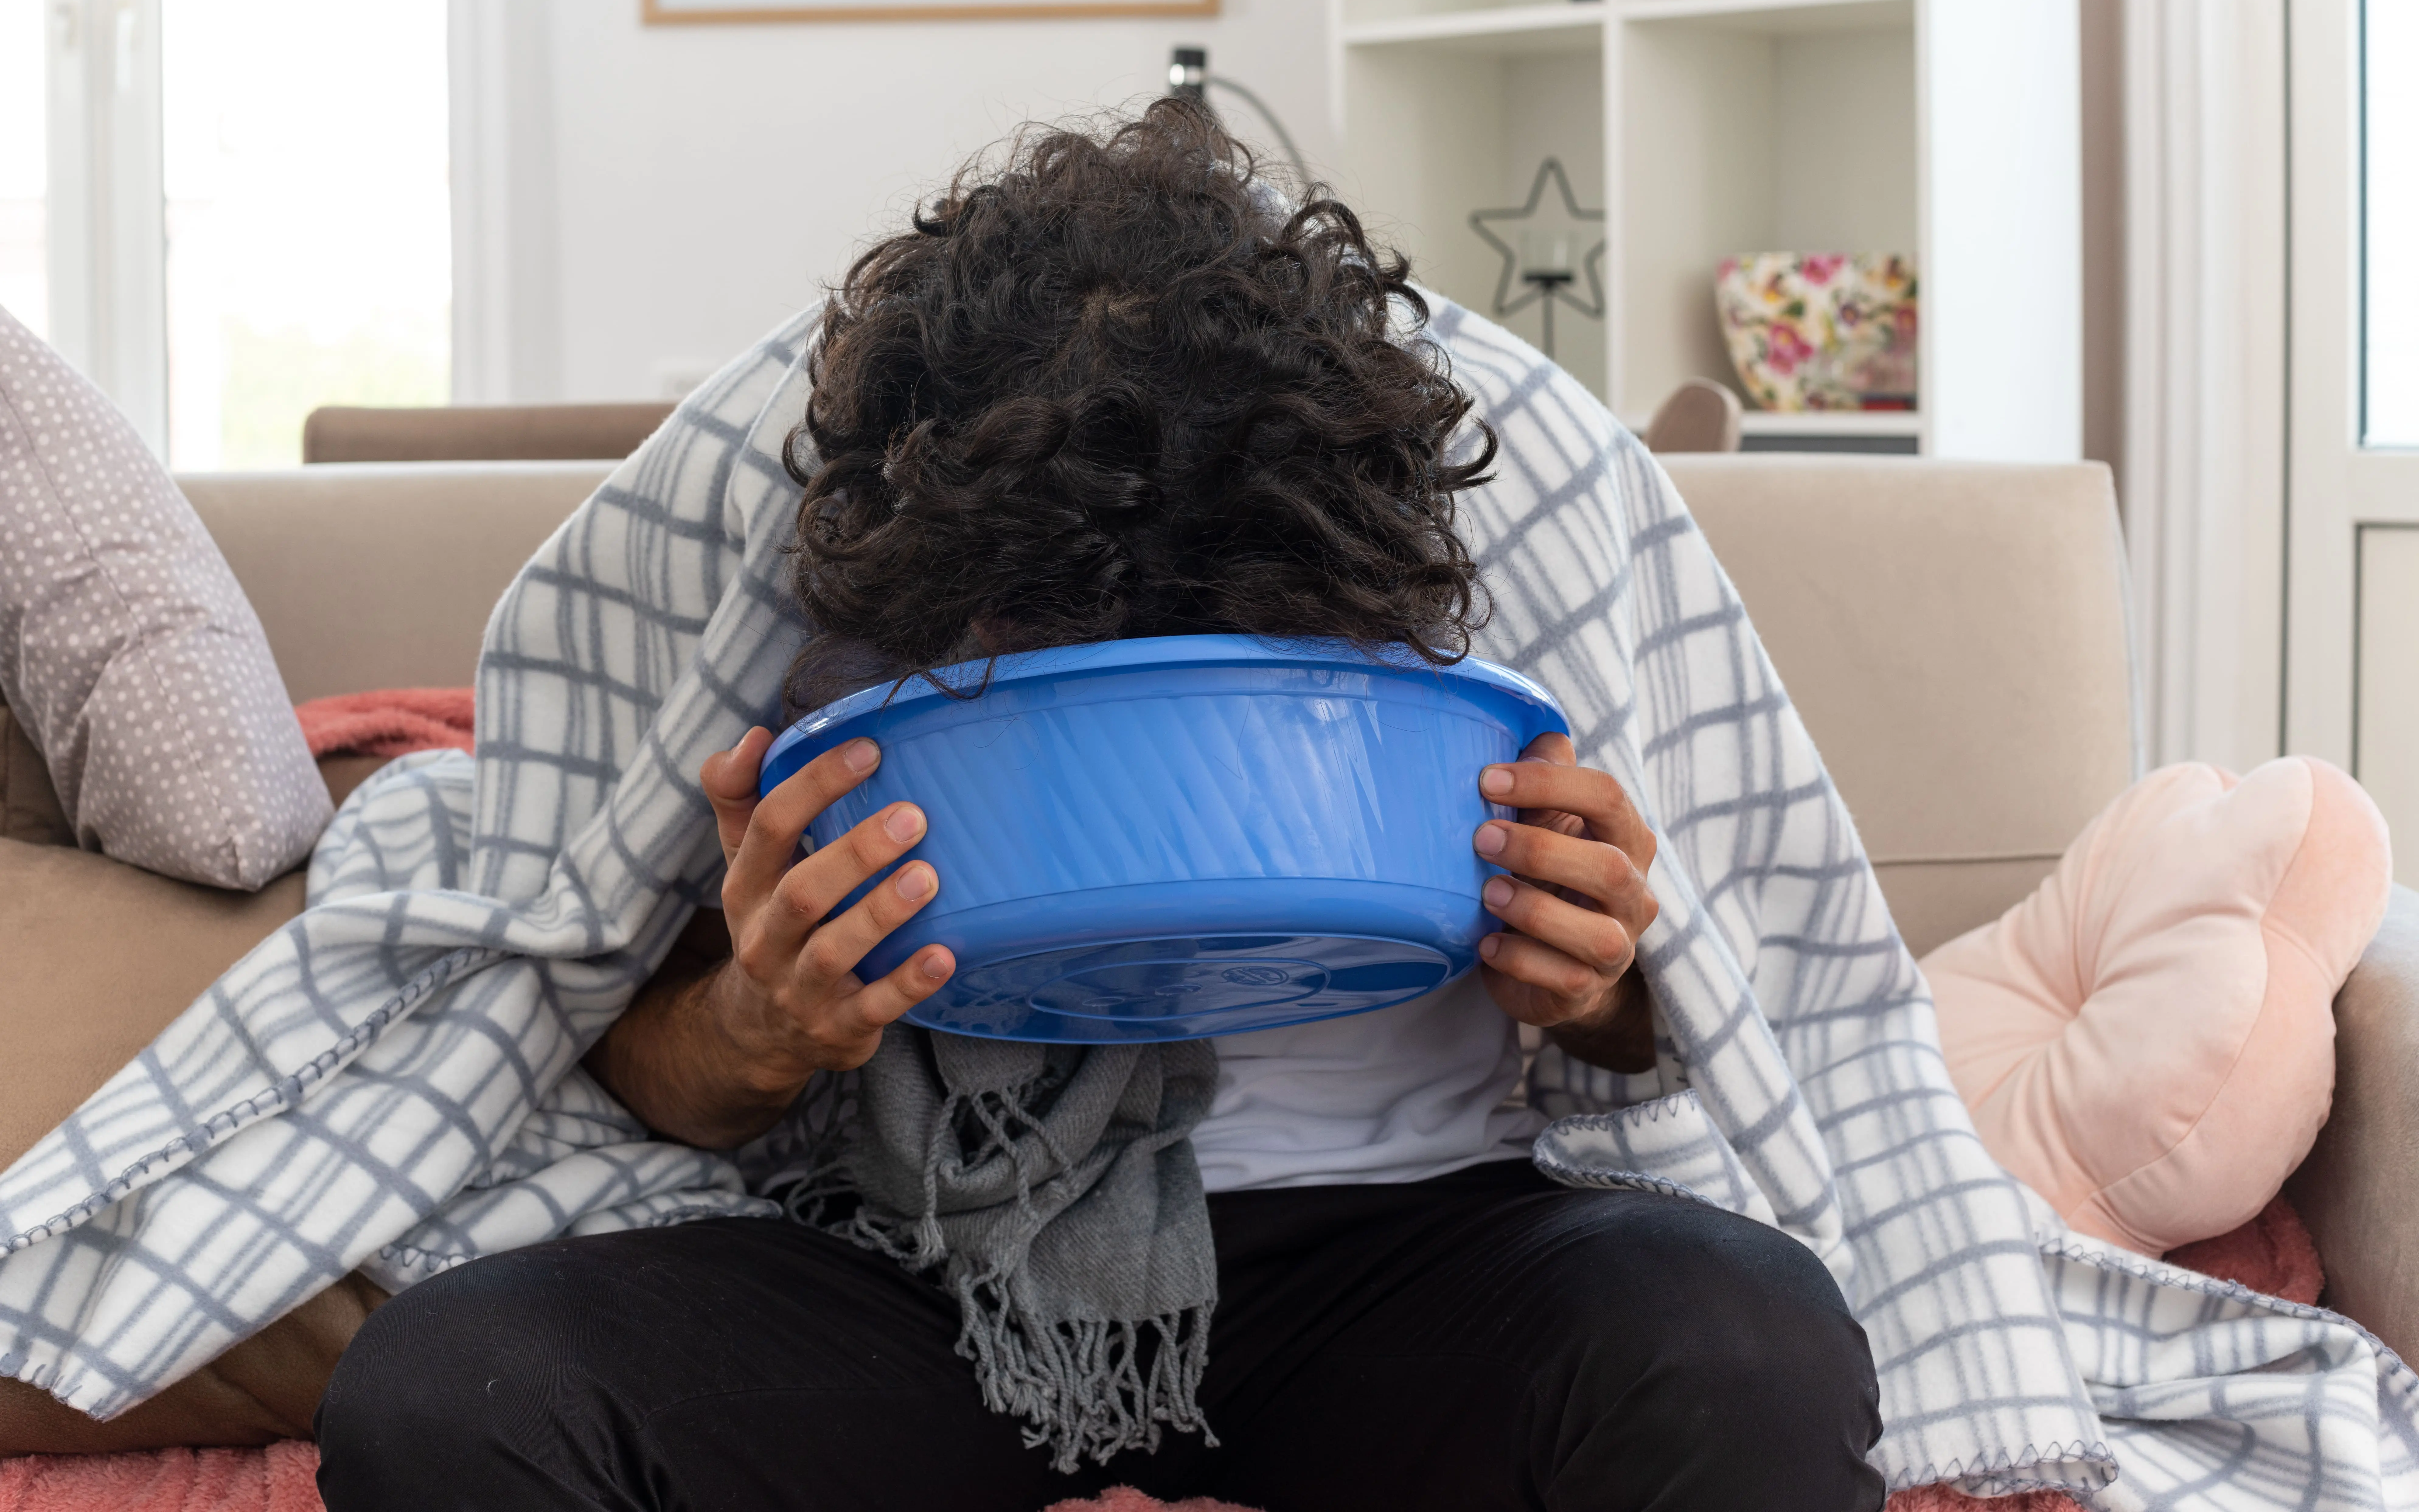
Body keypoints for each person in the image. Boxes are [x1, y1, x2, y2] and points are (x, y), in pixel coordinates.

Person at [314, 102, 1884, 1512]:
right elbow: (617, 1051)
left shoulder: (1463, 538)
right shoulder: (842, 596)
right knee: (455, 1396)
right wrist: (754, 1018)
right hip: (935, 1270)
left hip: (1411, 1257)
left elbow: (1702, 1033)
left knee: (1744, 1342)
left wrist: (1604, 984)